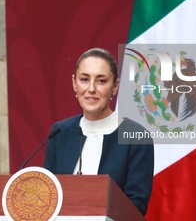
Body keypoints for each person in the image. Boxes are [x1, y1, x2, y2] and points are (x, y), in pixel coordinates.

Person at [43, 48, 154, 215]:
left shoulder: (137, 137)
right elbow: (47, 195)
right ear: (74, 83)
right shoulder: (60, 132)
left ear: (115, 86)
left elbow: (135, 207)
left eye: (101, 81)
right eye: (84, 79)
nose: (91, 89)